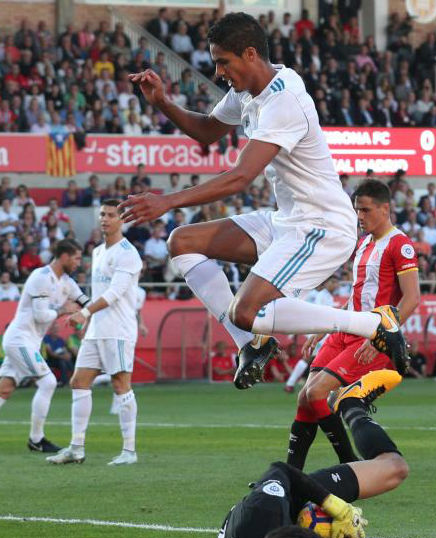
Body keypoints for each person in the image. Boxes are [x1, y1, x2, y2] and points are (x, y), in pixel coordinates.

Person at [122, 13, 408, 390]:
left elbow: (242, 176)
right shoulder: (247, 93)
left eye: (224, 61)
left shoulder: (283, 100)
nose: (220, 71)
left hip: (321, 227)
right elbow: (208, 130)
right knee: (182, 242)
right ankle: (252, 346)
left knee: (246, 310)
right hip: (288, 221)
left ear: (251, 53)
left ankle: (374, 324)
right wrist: (163, 103)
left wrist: (167, 201)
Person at [286, 180, 419, 470]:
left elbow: (412, 297)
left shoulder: (400, 244)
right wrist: (323, 328)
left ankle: (349, 465)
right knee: (304, 398)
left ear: (385, 209)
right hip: (344, 330)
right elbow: (355, 298)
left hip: (368, 335)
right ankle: (290, 474)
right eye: (357, 210)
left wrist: (382, 336)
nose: (359, 216)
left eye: (365, 210)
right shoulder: (363, 244)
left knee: (317, 394)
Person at [215, 370, 408, 538]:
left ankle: (351, 404)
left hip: (280, 504)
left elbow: (281, 470)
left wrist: (334, 505)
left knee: (394, 468)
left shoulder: (264, 511)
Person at [0, 240, 87, 455]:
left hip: (30, 342)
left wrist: (95, 310)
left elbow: (85, 301)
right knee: (48, 381)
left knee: (4, 389)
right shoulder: (41, 277)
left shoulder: (66, 282)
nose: (78, 263)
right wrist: (64, 310)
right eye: (76, 258)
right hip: (20, 339)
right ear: (63, 256)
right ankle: (36, 439)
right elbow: (41, 315)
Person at [47, 201, 142, 466]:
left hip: (119, 330)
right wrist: (87, 319)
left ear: (122, 220)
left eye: (111, 215)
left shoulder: (128, 253)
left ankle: (129, 451)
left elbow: (115, 293)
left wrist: (84, 313)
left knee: (121, 385)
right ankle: (76, 447)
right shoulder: (99, 251)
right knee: (79, 382)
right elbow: (101, 294)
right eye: (102, 214)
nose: (105, 219)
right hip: (97, 329)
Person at [282, 276, 338, 394]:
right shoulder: (322, 295)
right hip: (320, 332)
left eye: (336, 282)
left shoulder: (325, 295)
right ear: (326, 283)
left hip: (321, 331)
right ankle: (293, 384)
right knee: (314, 358)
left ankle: (294, 384)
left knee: (313, 358)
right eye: (333, 282)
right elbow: (320, 314)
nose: (336, 285)